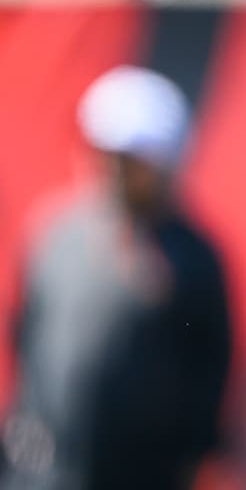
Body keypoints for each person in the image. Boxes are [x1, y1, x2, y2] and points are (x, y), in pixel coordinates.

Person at [2, 66, 231, 490]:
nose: (111, 167)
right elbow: (27, 343)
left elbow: (211, 375)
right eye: (103, 150)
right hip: (44, 476)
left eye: (128, 159)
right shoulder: (56, 236)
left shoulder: (195, 259)